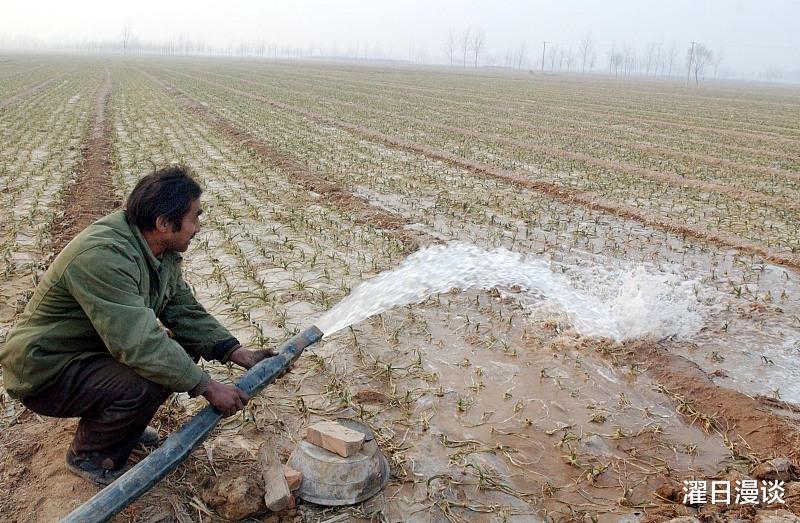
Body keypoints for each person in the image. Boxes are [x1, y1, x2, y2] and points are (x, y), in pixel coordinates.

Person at [0, 165, 274, 485]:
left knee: (179, 352)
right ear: (163, 223)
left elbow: (182, 309)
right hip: (45, 369)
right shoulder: (104, 255)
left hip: (84, 353)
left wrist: (236, 352)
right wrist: (208, 387)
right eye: (194, 217)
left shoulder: (158, 249)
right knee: (145, 380)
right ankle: (89, 456)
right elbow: (139, 344)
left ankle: (121, 424)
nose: (198, 226)